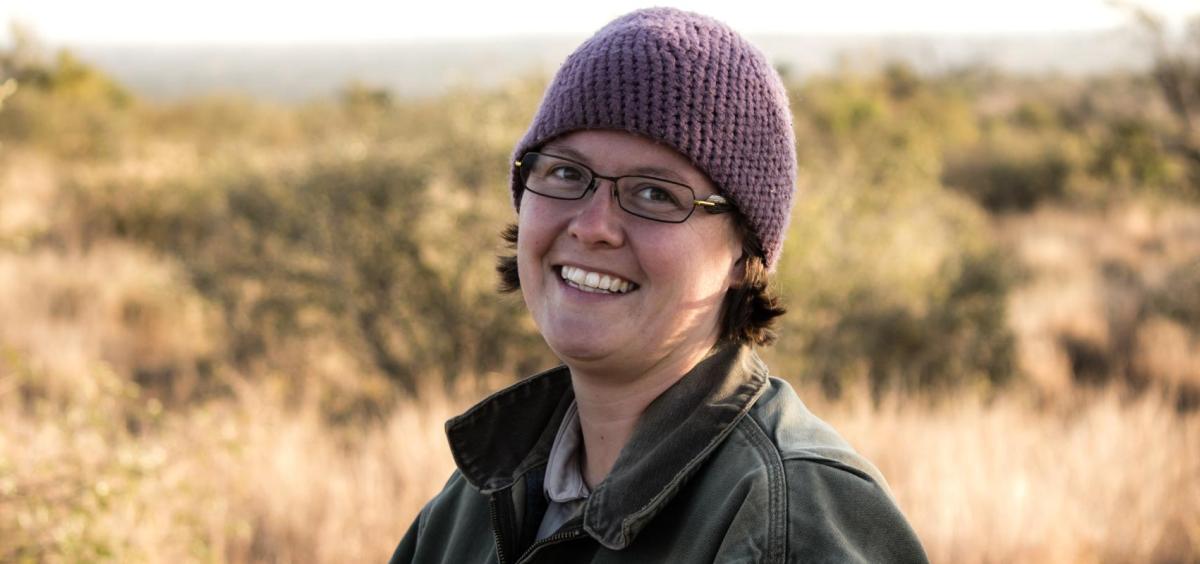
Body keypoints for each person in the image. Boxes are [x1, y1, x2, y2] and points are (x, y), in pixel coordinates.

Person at [390, 7, 928, 563]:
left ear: (744, 256)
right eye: (566, 174)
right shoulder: (478, 500)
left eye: (655, 194)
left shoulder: (788, 520)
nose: (593, 226)